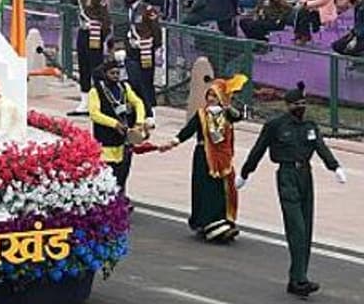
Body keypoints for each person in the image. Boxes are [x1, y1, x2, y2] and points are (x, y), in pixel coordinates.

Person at [238, 83, 347, 298]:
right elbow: (258, 150)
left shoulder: (309, 125)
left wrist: (335, 167)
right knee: (296, 227)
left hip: (306, 175)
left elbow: (320, 147)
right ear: (287, 105)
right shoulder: (275, 125)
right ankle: (299, 279)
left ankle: (297, 278)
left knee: (306, 229)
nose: (301, 107)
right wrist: (245, 173)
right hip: (287, 175)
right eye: (297, 104)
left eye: (303, 104)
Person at [158, 74, 248, 243]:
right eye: (209, 95)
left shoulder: (226, 115)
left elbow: (238, 117)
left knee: (221, 190)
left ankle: (223, 221)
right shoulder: (201, 114)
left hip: (223, 159)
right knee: (205, 189)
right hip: (203, 157)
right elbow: (187, 131)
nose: (211, 99)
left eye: (215, 95)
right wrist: (172, 143)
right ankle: (207, 223)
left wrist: (227, 106)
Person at [88, 57, 147, 195]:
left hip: (123, 141)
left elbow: (138, 103)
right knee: (107, 176)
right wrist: (114, 124)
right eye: (112, 73)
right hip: (105, 140)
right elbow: (94, 114)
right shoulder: (95, 92)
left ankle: (120, 203)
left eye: (117, 73)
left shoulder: (124, 88)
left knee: (122, 175)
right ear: (105, 74)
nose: (115, 76)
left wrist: (139, 122)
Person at [71, 0, 109, 114]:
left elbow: (105, 19)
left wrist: (103, 36)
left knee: (96, 66)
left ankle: (98, 99)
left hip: (95, 33)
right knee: (83, 66)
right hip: (83, 31)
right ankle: (84, 101)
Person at [124, 0, 162, 124]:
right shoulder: (130, 9)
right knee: (133, 79)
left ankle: (151, 112)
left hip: (145, 49)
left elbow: (155, 29)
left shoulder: (147, 9)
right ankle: (138, 109)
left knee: (146, 80)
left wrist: (156, 46)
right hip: (133, 49)